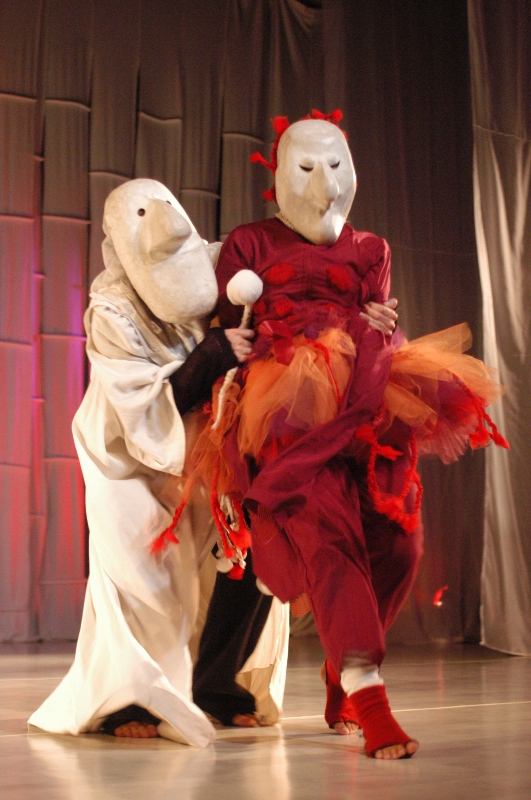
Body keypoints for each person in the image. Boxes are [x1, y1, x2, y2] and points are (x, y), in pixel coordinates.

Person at [193, 110, 507, 758]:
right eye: (307, 166)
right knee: (327, 534)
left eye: (335, 165)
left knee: (401, 544)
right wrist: (234, 343)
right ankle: (368, 693)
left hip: (365, 399)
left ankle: (341, 668)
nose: (323, 183)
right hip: (281, 407)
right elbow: (228, 323)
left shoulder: (372, 249)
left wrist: (382, 328)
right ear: (279, 172)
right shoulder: (250, 242)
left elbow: (380, 327)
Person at [28, 178, 254, 744]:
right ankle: (129, 701)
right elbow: (142, 406)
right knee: (140, 577)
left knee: (239, 561)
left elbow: (294, 287)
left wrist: (365, 310)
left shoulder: (215, 265)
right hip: (123, 452)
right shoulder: (112, 308)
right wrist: (211, 354)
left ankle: (215, 687)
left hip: (203, 439)